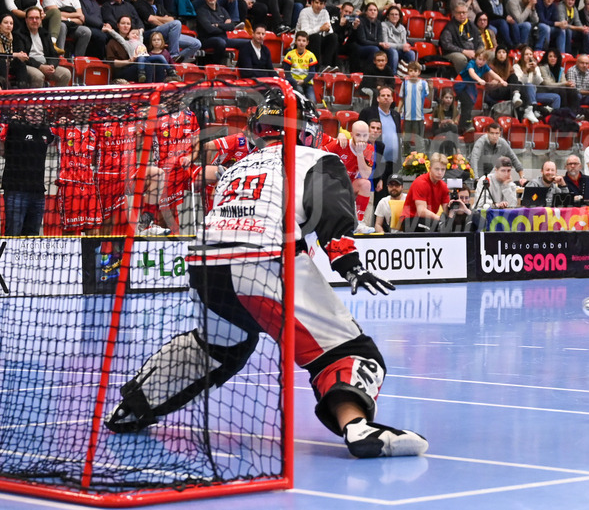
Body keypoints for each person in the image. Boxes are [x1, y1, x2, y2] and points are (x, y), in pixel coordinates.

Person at [106, 91, 427, 458]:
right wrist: (349, 265)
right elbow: (332, 215)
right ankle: (357, 428)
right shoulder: (317, 158)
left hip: (205, 266)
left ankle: (133, 407)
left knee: (217, 347)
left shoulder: (239, 168)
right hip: (262, 261)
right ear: (306, 129)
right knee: (347, 351)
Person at [1, 107, 54, 236]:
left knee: (32, 236)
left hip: (38, 193)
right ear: (25, 113)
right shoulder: (14, 126)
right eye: (31, 112)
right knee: (14, 233)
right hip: (16, 191)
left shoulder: (46, 130)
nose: (35, 116)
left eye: (39, 113)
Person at [13, 6, 72, 87]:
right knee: (38, 76)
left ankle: (55, 98)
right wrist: (40, 66)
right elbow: (23, 57)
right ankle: (35, 99)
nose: (34, 20)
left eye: (37, 18)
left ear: (41, 20)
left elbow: (54, 54)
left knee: (66, 74)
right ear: (26, 20)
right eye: (31, 18)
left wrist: (52, 66)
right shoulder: (18, 34)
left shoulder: (45, 34)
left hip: (45, 64)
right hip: (28, 65)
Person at [400, 152, 451, 232]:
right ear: (430, 168)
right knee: (437, 226)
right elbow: (421, 211)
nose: (440, 173)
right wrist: (439, 219)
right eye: (437, 169)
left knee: (449, 226)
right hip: (410, 220)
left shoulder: (443, 186)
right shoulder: (421, 182)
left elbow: (446, 210)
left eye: (443, 169)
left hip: (429, 220)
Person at [283, 30, 317, 102]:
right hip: (294, 82)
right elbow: (287, 72)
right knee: (299, 94)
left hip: (307, 83)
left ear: (307, 43)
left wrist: (304, 81)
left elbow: (312, 73)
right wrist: (294, 81)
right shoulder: (290, 54)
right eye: (299, 40)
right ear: (295, 41)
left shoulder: (311, 55)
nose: (301, 43)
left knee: (312, 101)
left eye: (304, 41)